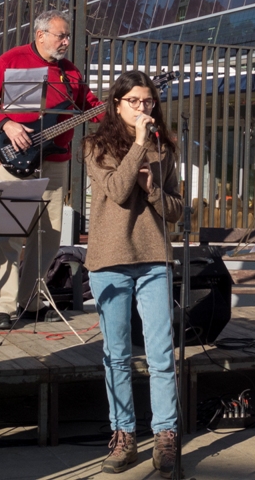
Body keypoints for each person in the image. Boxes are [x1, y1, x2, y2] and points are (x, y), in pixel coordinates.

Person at [0, 10, 103, 330]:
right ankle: (2, 305)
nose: (67, 41)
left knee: (50, 236)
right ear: (40, 35)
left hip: (56, 162)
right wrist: (5, 123)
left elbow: (90, 105)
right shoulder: (13, 59)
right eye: (62, 35)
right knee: (10, 233)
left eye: (68, 36)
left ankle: (30, 299)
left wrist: (118, 111)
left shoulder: (70, 72)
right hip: (15, 159)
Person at [83, 70, 182, 477]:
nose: (144, 109)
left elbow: (177, 211)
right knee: (117, 356)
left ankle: (165, 434)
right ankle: (123, 435)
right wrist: (139, 148)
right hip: (110, 260)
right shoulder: (96, 146)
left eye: (148, 101)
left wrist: (155, 189)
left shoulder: (166, 147)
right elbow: (119, 191)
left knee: (161, 355)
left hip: (154, 257)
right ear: (117, 104)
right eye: (135, 102)